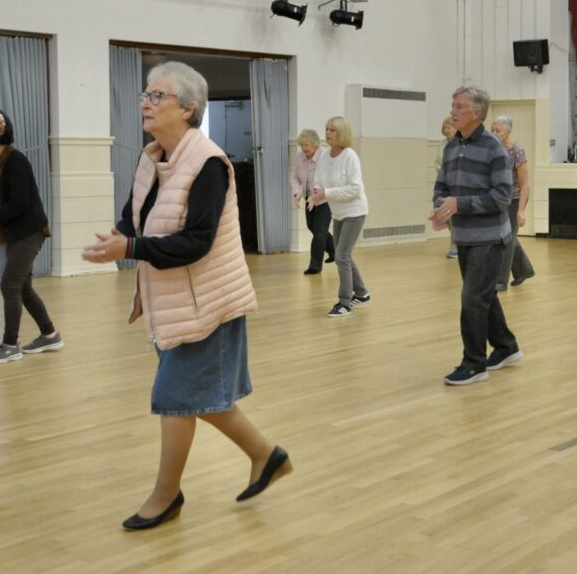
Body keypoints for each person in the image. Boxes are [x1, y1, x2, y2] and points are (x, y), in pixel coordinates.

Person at [82, 62, 290, 530]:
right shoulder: (152, 156)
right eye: (146, 94)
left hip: (206, 304)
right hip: (171, 300)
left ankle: (166, 494)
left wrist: (131, 248)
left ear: (189, 109)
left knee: (174, 397)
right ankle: (266, 455)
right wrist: (114, 240)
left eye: (158, 97)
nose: (146, 103)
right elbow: (134, 219)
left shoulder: (210, 164)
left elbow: (197, 241)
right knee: (205, 399)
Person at [431, 86, 521, 386]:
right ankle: (506, 347)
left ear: (476, 113)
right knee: (482, 296)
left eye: (459, 106)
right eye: (452, 105)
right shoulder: (451, 147)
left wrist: (461, 204)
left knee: (472, 300)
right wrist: (441, 208)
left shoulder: (494, 148)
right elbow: (441, 185)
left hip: (490, 238)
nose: (453, 111)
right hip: (465, 237)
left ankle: (474, 364)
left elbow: (502, 196)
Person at [0, 108, 63, 365]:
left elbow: (19, 203)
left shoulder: (16, 161)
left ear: (0, 130)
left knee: (10, 285)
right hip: (17, 232)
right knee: (22, 287)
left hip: (30, 231)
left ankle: (10, 344)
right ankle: (50, 335)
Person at [310, 116, 370, 318]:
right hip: (339, 213)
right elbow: (318, 182)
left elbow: (354, 189)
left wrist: (326, 193)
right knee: (344, 255)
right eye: (327, 129)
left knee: (341, 256)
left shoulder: (350, 156)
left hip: (355, 212)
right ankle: (361, 293)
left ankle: (345, 302)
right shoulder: (325, 157)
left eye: (332, 130)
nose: (327, 133)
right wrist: (316, 194)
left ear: (342, 133)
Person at [490, 115, 535, 291]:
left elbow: (525, 184)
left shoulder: (517, 151)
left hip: (515, 199)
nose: (493, 133)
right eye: (492, 130)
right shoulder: (492, 149)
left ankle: (501, 280)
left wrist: (521, 211)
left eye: (498, 131)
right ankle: (524, 269)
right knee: (506, 236)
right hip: (498, 199)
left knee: (506, 239)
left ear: (508, 132)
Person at [290, 129, 335, 275]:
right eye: (302, 145)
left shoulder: (325, 156)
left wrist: (316, 196)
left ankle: (315, 266)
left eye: (306, 145)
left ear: (315, 145)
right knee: (312, 227)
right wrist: (297, 192)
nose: (303, 148)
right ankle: (335, 249)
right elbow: (294, 177)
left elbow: (328, 179)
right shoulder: (300, 157)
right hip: (309, 198)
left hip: (324, 199)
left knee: (320, 232)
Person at [435, 117, 458, 258]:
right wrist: (440, 171)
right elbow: (437, 162)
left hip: (455, 184)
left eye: (449, 127)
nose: (446, 130)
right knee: (447, 216)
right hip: (443, 184)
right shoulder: (442, 144)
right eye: (445, 127)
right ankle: (459, 242)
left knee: (454, 216)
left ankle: (455, 247)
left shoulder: (459, 143)